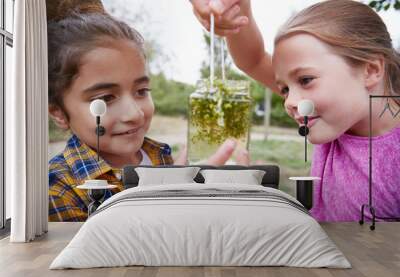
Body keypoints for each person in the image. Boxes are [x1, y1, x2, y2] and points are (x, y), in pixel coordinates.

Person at [191, 0, 400, 221]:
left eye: (306, 80)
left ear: (370, 70)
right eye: (284, 89)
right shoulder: (335, 118)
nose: (290, 101)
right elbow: (253, 61)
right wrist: (235, 6)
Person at [48, 8, 249, 222]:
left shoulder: (161, 156)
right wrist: (175, 201)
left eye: (141, 91)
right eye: (106, 98)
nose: (134, 114)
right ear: (59, 113)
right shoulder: (58, 190)